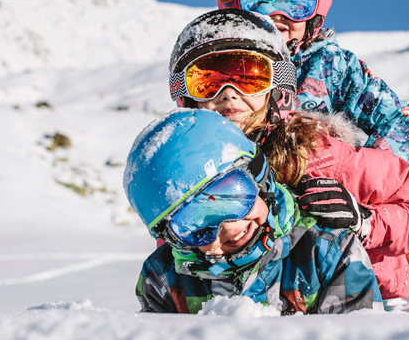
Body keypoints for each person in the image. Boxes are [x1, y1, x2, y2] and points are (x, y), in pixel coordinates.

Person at [168, 9, 409, 312]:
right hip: (267, 308)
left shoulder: (316, 154)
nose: (228, 92)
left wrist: (365, 221)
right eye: (207, 80)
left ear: (278, 88)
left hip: (376, 300)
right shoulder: (192, 168)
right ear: (187, 96)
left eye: (249, 77)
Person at [124, 108, 383, 314]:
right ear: (175, 240)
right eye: (196, 225)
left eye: (231, 197)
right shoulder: (164, 279)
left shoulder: (326, 252)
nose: (227, 227)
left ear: (259, 178)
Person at [215, 0, 409, 163]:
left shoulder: (330, 66)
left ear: (316, 14)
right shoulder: (219, 63)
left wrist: (356, 177)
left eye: (296, 3)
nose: (277, 15)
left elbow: (400, 122)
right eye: (259, 1)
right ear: (232, 6)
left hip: (317, 186)